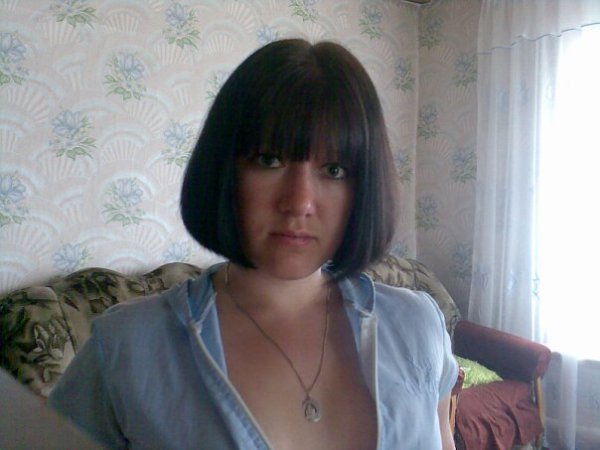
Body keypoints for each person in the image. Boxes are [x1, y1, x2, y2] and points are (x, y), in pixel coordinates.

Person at [49, 39, 458, 450]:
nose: (299, 202)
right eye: (269, 160)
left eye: (334, 170)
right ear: (224, 169)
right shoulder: (125, 347)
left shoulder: (418, 325)